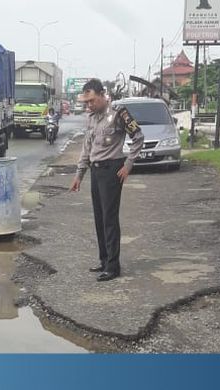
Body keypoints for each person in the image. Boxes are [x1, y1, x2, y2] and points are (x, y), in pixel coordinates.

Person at [69, 79, 144, 282]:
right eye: (86, 102)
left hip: (113, 170)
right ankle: (103, 260)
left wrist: (128, 165)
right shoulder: (92, 118)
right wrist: (79, 175)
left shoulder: (119, 114)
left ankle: (113, 266)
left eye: (92, 100)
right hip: (96, 170)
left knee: (110, 219)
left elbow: (138, 137)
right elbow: (87, 148)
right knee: (99, 218)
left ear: (103, 95)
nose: (89, 105)